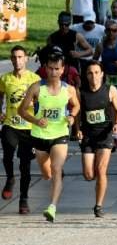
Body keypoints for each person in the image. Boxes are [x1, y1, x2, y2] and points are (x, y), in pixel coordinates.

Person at [18, 52, 80, 222]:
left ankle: (52, 207)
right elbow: (21, 110)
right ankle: (54, 181)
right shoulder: (37, 87)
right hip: (39, 136)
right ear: (45, 69)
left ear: (62, 70)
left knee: (56, 168)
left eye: (57, 69)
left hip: (59, 135)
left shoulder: (69, 89)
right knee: (47, 174)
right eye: (50, 68)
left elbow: (76, 106)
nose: (53, 72)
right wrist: (36, 120)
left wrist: (72, 117)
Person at [76, 61, 117, 217]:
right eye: (90, 73)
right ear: (86, 75)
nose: (93, 76)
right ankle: (96, 179)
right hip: (88, 135)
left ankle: (98, 206)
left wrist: (116, 124)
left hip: (105, 134)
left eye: (96, 72)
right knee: (89, 175)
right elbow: (76, 113)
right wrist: (77, 130)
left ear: (102, 74)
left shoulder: (110, 90)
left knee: (101, 171)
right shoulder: (80, 92)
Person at [0, 46, 41, 214]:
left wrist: (35, 106)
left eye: (20, 57)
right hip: (10, 123)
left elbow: (42, 102)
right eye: (14, 57)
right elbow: (0, 96)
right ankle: (10, 178)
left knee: (25, 165)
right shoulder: (5, 78)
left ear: (26, 59)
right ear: (11, 59)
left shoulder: (35, 79)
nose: (17, 60)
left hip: (28, 127)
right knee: (8, 151)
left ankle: (23, 199)